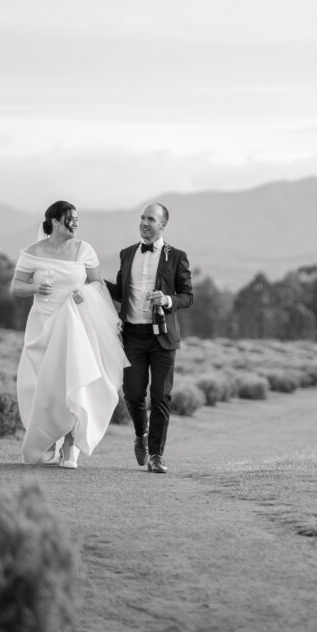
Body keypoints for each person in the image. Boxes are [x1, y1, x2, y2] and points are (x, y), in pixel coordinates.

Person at [10, 201, 127, 469]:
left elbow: (97, 284)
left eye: (76, 219)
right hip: (42, 325)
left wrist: (84, 293)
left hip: (75, 325)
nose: (74, 223)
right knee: (41, 386)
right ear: (53, 221)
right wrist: (35, 288)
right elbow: (16, 286)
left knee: (74, 381)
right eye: (68, 219)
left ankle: (70, 446)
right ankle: (49, 440)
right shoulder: (31, 253)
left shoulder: (84, 250)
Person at [106, 202, 193, 473]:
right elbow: (121, 293)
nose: (144, 222)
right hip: (133, 334)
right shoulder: (127, 253)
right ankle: (140, 435)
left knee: (160, 396)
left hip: (163, 338)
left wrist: (166, 300)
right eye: (142, 217)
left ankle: (156, 454)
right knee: (132, 393)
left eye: (151, 219)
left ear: (163, 224)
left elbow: (187, 296)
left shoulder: (176, 256)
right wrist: (94, 282)